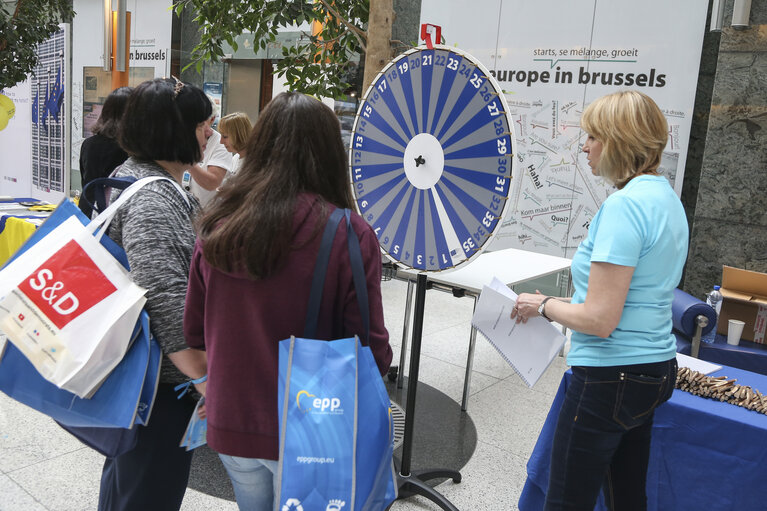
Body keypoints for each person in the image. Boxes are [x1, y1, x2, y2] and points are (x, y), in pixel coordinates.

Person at [183, 92, 393, 511]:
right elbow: (371, 349)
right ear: (331, 153)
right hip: (312, 427)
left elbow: (194, 332)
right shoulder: (347, 233)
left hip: (231, 419)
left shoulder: (217, 225)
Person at [511, 90, 688, 511]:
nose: (585, 146)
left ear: (619, 141)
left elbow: (600, 319)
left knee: (566, 501)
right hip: (654, 370)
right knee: (627, 497)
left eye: (593, 136)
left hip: (610, 378)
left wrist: (542, 306)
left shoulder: (624, 208)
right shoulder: (666, 199)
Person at [99, 77, 209, 511]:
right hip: (158, 385)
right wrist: (203, 378)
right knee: (149, 490)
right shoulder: (154, 198)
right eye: (203, 123)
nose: (209, 133)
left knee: (126, 483)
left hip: (137, 372)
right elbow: (163, 295)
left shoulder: (131, 174)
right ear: (176, 128)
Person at [78, 86, 132, 218]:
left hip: (87, 210)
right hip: (109, 215)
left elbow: (85, 178)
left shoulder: (89, 144)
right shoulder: (129, 147)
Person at [185, 98, 232, 207]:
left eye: (201, 123)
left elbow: (212, 182)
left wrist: (186, 158)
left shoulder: (220, 142)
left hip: (206, 213)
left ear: (212, 119)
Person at [217, 111, 252, 175]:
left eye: (225, 136)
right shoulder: (236, 159)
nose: (221, 142)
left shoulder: (253, 164)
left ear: (239, 135)